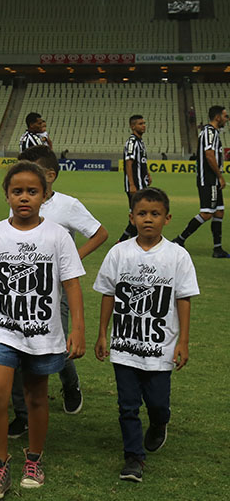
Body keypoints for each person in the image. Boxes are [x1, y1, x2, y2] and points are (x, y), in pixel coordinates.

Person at [0, 161, 86, 499]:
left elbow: (72, 284)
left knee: (35, 397)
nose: (24, 197)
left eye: (32, 191)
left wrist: (77, 328)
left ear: (44, 195)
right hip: (2, 330)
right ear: (6, 195)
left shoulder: (57, 236)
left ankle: (34, 460)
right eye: (17, 191)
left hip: (42, 332)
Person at [94, 187, 198, 482]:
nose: (148, 219)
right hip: (124, 346)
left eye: (155, 214)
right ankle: (133, 458)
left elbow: (184, 299)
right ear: (132, 218)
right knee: (127, 405)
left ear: (167, 218)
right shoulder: (119, 252)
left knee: (157, 403)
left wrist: (183, 341)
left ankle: (159, 423)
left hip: (160, 347)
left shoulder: (177, 256)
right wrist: (102, 333)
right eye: (142, 213)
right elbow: (108, 294)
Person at [5, 145, 108, 438]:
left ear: (50, 175)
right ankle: (22, 414)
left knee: (58, 345)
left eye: (32, 170)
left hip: (57, 290)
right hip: (23, 290)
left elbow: (100, 233)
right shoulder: (20, 201)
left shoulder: (67, 205)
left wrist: (72, 259)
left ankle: (70, 383)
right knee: (17, 345)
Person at [173, 105, 230, 257]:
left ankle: (217, 249)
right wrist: (219, 176)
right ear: (217, 117)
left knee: (219, 212)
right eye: (225, 116)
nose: (227, 119)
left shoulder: (213, 132)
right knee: (206, 213)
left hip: (213, 180)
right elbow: (209, 155)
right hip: (209, 179)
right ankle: (179, 239)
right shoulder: (209, 132)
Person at [118, 115, 150, 243]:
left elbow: (142, 161)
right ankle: (125, 240)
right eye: (140, 124)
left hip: (142, 183)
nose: (144, 126)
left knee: (138, 212)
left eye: (144, 123)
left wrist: (148, 174)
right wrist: (131, 184)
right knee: (138, 213)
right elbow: (129, 163)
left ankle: (126, 240)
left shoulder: (140, 142)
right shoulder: (132, 142)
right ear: (133, 126)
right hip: (135, 184)